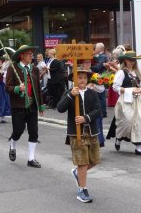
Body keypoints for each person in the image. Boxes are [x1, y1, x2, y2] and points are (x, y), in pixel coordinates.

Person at [57, 67, 101, 203]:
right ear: (73, 80)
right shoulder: (69, 93)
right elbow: (60, 108)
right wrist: (71, 95)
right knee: (83, 162)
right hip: (76, 134)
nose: (82, 80)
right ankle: (82, 190)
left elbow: (98, 110)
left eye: (84, 77)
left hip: (92, 131)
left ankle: (77, 173)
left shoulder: (92, 93)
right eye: (79, 77)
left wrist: (86, 118)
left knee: (94, 160)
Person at [5, 45, 45, 168]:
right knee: (18, 131)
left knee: (34, 132)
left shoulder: (34, 69)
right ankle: (13, 145)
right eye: (29, 54)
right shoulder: (13, 68)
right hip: (18, 106)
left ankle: (31, 159)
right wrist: (17, 88)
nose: (31, 56)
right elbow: (7, 88)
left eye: (32, 54)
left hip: (32, 105)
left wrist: (41, 105)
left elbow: (37, 89)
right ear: (22, 55)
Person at [111, 51, 141, 156]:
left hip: (139, 100)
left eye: (134, 60)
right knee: (128, 122)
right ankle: (119, 137)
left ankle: (138, 148)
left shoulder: (137, 72)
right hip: (126, 101)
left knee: (140, 122)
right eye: (130, 60)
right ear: (125, 60)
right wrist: (130, 90)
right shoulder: (121, 73)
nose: (132, 62)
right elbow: (115, 87)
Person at [91, 42, 108, 118]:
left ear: (99, 49)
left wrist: (90, 68)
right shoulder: (101, 56)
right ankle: (102, 113)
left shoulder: (103, 56)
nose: (95, 49)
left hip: (101, 76)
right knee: (101, 96)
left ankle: (103, 113)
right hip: (101, 76)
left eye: (96, 48)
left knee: (101, 96)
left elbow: (98, 67)